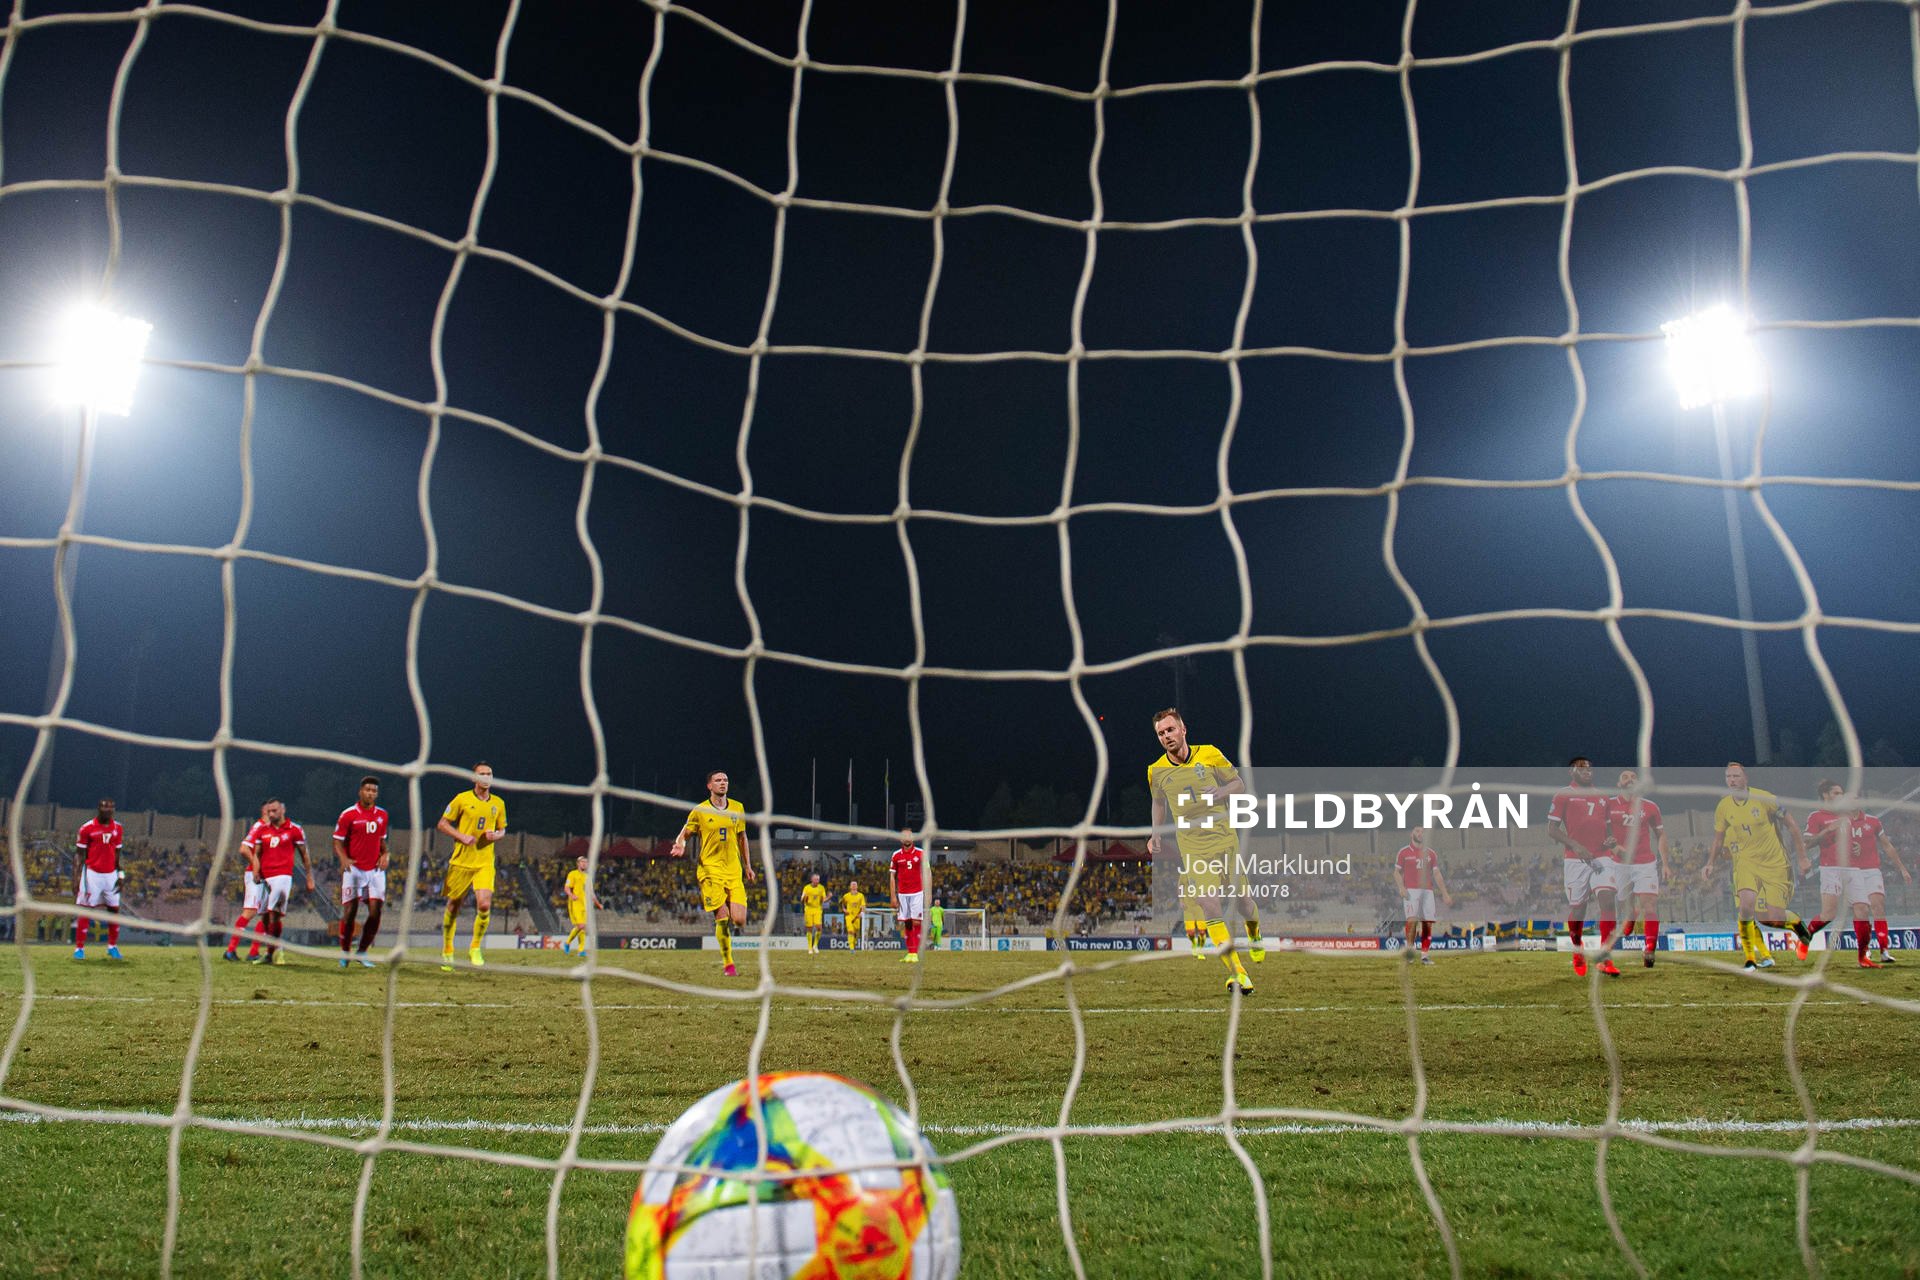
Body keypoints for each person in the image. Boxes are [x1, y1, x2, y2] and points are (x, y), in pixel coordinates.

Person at [1146, 707, 1252, 995]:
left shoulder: (1210, 754)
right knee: (1209, 906)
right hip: (1193, 848)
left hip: (1224, 840)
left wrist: (1221, 792)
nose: (1166, 736)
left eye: (1170, 730)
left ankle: (1254, 935)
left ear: (1183, 730)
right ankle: (1238, 972)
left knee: (1244, 903)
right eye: (1160, 733)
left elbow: (1238, 784)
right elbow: (1159, 803)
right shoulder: (1156, 771)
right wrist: (1155, 832)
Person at [1701, 763, 1812, 971]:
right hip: (1745, 865)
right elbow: (1718, 840)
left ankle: (1796, 925)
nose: (1731, 780)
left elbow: (1793, 826)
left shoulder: (1765, 799)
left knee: (1772, 918)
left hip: (1774, 863)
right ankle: (1750, 959)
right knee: (1745, 907)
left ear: (1746, 778)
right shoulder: (1724, 807)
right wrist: (1710, 863)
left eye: (1736, 776)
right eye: (1728, 777)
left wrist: (1803, 858)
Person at [670, 769, 757, 977]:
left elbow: (742, 838)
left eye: (725, 779)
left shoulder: (738, 807)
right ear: (709, 786)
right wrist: (680, 844)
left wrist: (748, 866)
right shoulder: (700, 810)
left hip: (733, 870)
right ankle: (729, 964)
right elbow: (685, 832)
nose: (723, 783)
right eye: (718, 780)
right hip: (710, 870)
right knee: (723, 917)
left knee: (739, 920)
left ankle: (727, 917)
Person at [1547, 756, 1617, 978]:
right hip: (1575, 859)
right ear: (1572, 772)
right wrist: (1576, 845)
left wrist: (1611, 840)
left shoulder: (1603, 797)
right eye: (1581, 768)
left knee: (1607, 899)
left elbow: (1609, 831)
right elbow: (1552, 829)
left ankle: (1605, 957)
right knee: (1578, 908)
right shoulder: (1563, 794)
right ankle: (1578, 950)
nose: (1587, 771)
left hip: (1601, 856)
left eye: (1589, 768)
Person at [436, 763, 507, 971]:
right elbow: (442, 824)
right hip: (461, 862)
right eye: (482, 774)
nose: (486, 777)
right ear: (474, 778)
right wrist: (461, 836)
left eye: (489, 774)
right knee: (453, 906)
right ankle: (447, 950)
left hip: (484, 862)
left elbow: (503, 829)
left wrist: (496, 836)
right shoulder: (462, 799)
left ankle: (475, 947)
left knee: (484, 905)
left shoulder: (499, 803)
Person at [1832, 790, 1912, 967]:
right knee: (1861, 911)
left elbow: (1887, 845)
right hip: (1851, 872)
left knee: (1878, 906)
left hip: (1871, 870)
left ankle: (1884, 950)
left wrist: (1902, 869)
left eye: (1856, 798)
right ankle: (1864, 950)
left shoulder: (1873, 821)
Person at [240, 799, 312, 966]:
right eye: (269, 811)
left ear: (283, 810)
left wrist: (309, 877)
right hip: (265, 877)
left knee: (274, 914)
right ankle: (274, 951)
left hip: (283, 877)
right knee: (264, 916)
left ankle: (273, 953)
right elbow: (256, 854)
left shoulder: (295, 830)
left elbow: (304, 855)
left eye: (275, 811)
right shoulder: (262, 830)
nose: (271, 814)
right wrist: (256, 870)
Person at [333, 775, 389, 969]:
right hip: (354, 869)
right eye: (368, 790)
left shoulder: (382, 815)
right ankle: (345, 952)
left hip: (374, 870)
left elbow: (381, 841)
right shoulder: (348, 814)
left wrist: (386, 854)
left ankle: (362, 951)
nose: (371, 793)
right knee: (350, 911)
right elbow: (337, 841)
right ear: (361, 792)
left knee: (376, 911)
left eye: (374, 791)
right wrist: (343, 858)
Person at [72, 797, 125, 961]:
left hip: (111, 874)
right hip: (92, 874)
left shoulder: (118, 828)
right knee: (86, 910)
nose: (108, 810)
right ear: (99, 809)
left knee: (114, 910)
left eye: (111, 807)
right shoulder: (87, 828)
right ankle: (79, 948)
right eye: (105, 807)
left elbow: (118, 854)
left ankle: (112, 947)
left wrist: (121, 874)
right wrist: (76, 878)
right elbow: (79, 855)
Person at [1394, 827, 1453, 965]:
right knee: (1412, 921)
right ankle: (1410, 951)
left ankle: (1425, 955)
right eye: (1417, 831)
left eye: (1422, 832)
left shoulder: (1431, 854)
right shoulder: (1403, 852)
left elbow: (1437, 874)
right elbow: (1396, 872)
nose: (1420, 834)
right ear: (1412, 834)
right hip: (1411, 891)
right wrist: (1401, 887)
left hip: (1427, 891)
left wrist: (1445, 893)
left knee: (1427, 923)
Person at [225, 801, 273, 962]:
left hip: (267, 876)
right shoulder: (259, 827)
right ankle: (230, 950)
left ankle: (253, 952)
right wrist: (256, 866)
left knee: (266, 915)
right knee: (250, 911)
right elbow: (244, 848)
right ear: (265, 811)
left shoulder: (271, 830)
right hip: (255, 875)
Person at [890, 829, 929, 964]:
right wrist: (893, 896)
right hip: (902, 893)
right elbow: (892, 876)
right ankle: (910, 952)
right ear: (901, 839)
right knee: (906, 922)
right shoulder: (896, 855)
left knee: (916, 921)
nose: (907, 838)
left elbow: (927, 872)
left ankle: (915, 953)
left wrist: (928, 891)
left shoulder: (921, 853)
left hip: (917, 892)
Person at [563, 854, 603, 955]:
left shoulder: (587, 877)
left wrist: (598, 904)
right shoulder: (572, 874)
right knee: (581, 926)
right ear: (578, 863)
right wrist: (571, 895)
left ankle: (581, 950)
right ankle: (567, 943)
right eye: (582, 862)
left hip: (584, 904)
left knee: (583, 927)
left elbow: (591, 893)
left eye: (586, 862)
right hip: (575, 903)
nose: (584, 864)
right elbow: (566, 888)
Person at [800, 873, 827, 955]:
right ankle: (809, 948)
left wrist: (827, 898)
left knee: (819, 928)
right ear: (812, 879)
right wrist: (805, 898)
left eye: (818, 879)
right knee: (809, 928)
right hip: (808, 909)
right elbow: (802, 899)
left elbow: (823, 899)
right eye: (815, 879)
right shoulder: (807, 888)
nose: (817, 881)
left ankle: (815, 945)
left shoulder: (821, 888)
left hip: (818, 909)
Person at [842, 880, 866, 951]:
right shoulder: (846, 896)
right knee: (850, 931)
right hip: (849, 916)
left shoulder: (861, 896)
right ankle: (851, 948)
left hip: (857, 917)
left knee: (856, 932)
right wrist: (844, 910)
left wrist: (861, 913)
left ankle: (854, 943)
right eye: (852, 884)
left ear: (857, 886)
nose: (853, 886)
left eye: (855, 884)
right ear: (850, 887)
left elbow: (863, 906)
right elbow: (842, 904)